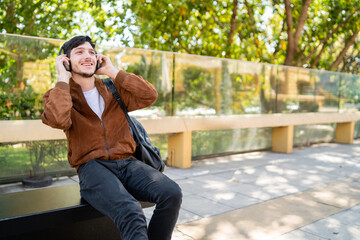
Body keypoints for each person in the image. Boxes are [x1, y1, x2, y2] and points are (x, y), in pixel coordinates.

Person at [41, 35, 182, 240]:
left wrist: (112, 71)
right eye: (79, 52)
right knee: (131, 212)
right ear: (66, 60)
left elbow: (149, 95)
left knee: (172, 193)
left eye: (91, 52)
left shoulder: (113, 88)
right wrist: (63, 76)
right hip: (92, 167)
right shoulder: (60, 94)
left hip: (128, 163)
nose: (87, 55)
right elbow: (57, 119)